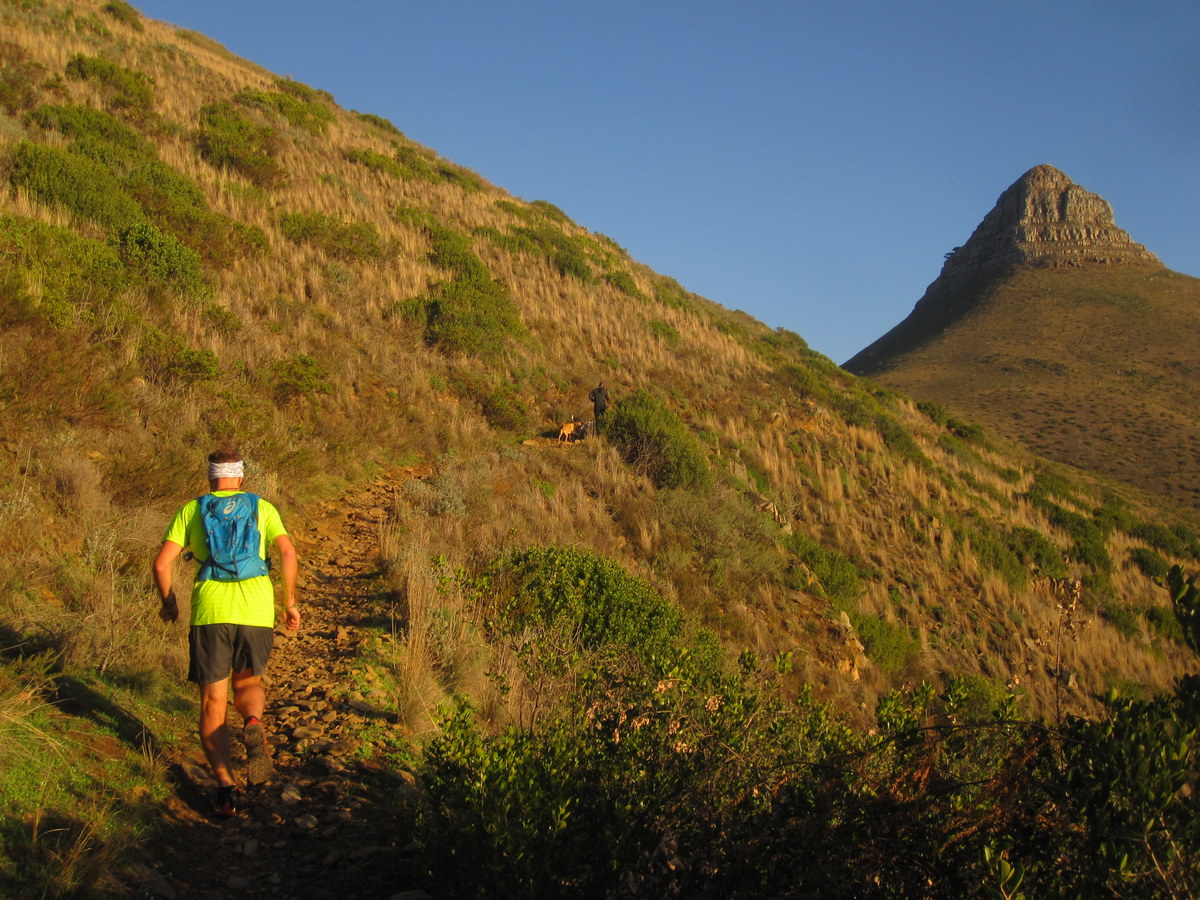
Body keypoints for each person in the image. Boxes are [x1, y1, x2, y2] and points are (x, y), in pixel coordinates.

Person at [153, 448, 299, 817]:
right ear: (241, 475)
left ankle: (225, 789)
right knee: (248, 686)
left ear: (210, 476)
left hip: (210, 614)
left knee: (212, 703)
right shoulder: (262, 508)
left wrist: (170, 603)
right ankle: (252, 722)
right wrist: (290, 603)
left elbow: (161, 564)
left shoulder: (192, 510)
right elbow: (287, 553)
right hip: (255, 609)